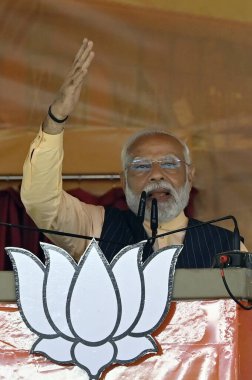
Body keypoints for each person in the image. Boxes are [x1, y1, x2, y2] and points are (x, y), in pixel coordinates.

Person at [21, 39, 246, 268]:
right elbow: (41, 202)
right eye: (141, 166)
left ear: (190, 175)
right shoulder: (96, 227)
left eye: (169, 164)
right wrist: (55, 119)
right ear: (123, 180)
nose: (156, 174)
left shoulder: (228, 245)